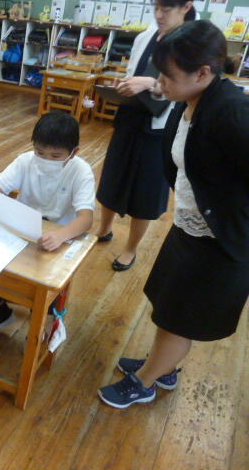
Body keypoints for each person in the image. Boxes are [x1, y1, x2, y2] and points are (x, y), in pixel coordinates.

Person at [99, 20, 249, 408]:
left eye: (168, 76)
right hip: (191, 224)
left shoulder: (232, 112)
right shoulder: (190, 101)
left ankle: (146, 382)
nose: (160, 82)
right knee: (169, 306)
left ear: (203, 72)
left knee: (180, 317)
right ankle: (162, 366)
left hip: (221, 240)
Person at [0, 112, 95, 340]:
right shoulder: (25, 161)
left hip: (58, 236)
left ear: (74, 152)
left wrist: (61, 235)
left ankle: (42, 318)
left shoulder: (81, 171)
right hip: (21, 227)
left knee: (49, 281)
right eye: (40, 152)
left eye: (56, 156)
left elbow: (86, 218)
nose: (46, 160)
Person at [95, 0, 195, 272]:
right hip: (129, 118)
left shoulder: (191, 43)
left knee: (146, 191)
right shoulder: (145, 37)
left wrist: (150, 84)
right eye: (157, 7)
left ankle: (130, 248)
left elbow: (187, 87)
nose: (159, 15)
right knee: (113, 176)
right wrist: (125, 84)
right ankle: (104, 228)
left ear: (186, 6)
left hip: (160, 128)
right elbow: (133, 73)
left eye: (166, 9)